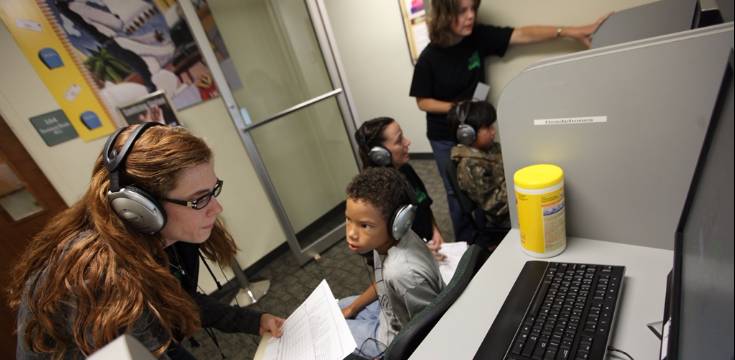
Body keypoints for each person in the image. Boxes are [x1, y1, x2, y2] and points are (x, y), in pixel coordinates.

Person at [8, 123, 284, 359]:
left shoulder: (163, 237)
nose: (216, 208)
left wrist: (253, 321)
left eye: (213, 191)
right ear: (141, 208)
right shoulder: (99, 282)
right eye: (199, 198)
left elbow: (182, 299)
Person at [409, 0, 609, 242]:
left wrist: (569, 32)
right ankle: (467, 245)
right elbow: (423, 102)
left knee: (488, 179)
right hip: (445, 133)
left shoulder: (477, 36)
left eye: (473, 9)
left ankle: (490, 232)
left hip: (475, 125)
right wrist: (459, 108)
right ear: (444, 14)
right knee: (456, 192)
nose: (471, 16)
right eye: (462, 11)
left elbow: (522, 34)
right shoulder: (430, 57)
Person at [339, 167, 445, 358]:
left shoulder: (401, 272)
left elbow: (430, 330)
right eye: (349, 219)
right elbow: (383, 285)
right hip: (388, 313)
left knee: (330, 332)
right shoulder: (385, 239)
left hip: (388, 343)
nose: (352, 233)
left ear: (398, 222)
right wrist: (353, 308)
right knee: (333, 309)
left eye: (364, 225)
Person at [354, 117, 444, 255]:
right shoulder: (373, 195)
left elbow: (424, 204)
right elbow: (378, 248)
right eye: (399, 140)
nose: (408, 142)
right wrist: (421, 254)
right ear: (380, 154)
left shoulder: (406, 170)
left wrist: (435, 231)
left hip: (429, 246)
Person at [448, 100, 510, 247]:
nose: (493, 131)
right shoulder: (470, 166)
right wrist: (517, 181)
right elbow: (495, 206)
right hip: (501, 217)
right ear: (467, 134)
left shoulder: (490, 148)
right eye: (488, 128)